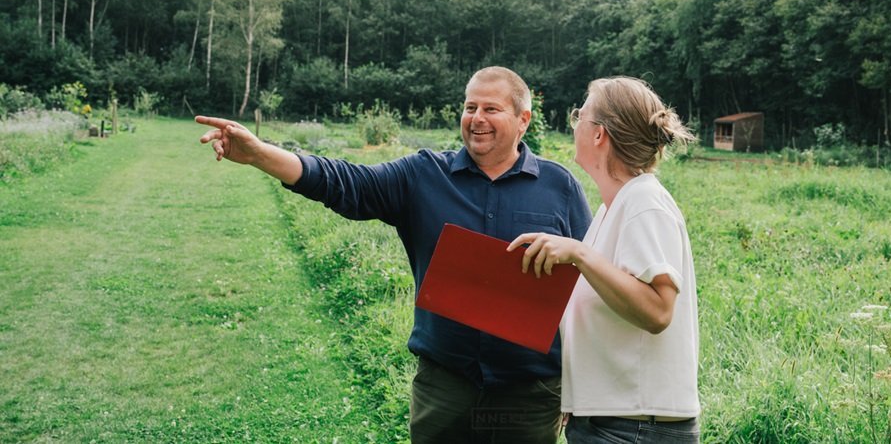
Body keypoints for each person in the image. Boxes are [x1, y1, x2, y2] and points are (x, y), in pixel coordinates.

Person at [196, 66, 592, 444]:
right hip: (445, 387)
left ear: (523, 120)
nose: (476, 118)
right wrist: (260, 155)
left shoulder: (560, 187)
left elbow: (587, 290)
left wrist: (579, 389)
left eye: (491, 108)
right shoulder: (424, 175)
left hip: (529, 394)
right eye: (470, 107)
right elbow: (346, 182)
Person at [508, 76, 701, 443]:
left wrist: (579, 254)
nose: (574, 123)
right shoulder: (611, 209)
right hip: (612, 422)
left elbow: (659, 311)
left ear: (599, 134)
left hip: (635, 429)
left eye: (579, 115)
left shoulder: (644, 203)